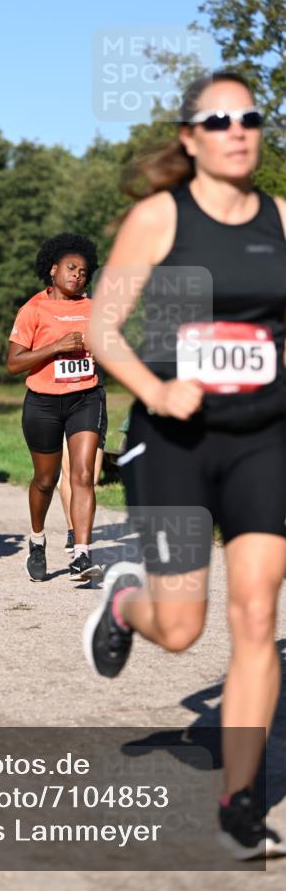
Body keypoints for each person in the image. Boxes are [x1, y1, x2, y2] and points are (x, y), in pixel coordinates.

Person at [83, 71, 286, 860]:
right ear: (190, 136)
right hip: (174, 441)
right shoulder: (158, 216)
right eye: (218, 119)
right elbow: (103, 329)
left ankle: (240, 804)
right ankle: (126, 602)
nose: (237, 129)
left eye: (250, 117)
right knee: (180, 626)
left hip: (265, 437)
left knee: (256, 618)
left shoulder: (281, 219)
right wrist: (155, 390)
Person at [7, 233, 105, 583]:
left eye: (84, 271)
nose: (78, 275)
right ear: (53, 270)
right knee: (46, 480)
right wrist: (56, 347)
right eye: (71, 268)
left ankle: (82, 554)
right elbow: (14, 363)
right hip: (43, 402)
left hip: (85, 397)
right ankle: (36, 540)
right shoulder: (33, 309)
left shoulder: (94, 309)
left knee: (82, 474)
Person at [59, 365, 108, 550]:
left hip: (92, 396)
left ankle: (80, 529)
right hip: (60, 396)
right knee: (70, 471)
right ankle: (74, 532)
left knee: (91, 477)